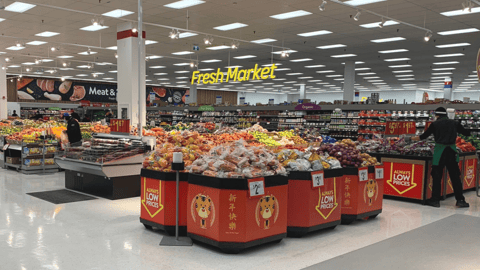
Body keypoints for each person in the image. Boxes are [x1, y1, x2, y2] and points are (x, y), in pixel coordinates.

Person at [412, 107, 470, 208]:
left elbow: (424, 136)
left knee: (437, 176)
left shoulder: (434, 124)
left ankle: (435, 200)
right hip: (452, 151)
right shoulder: (454, 123)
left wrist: (413, 138)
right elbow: (466, 133)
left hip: (440, 152)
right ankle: (460, 200)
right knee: (455, 176)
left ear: (437, 115)